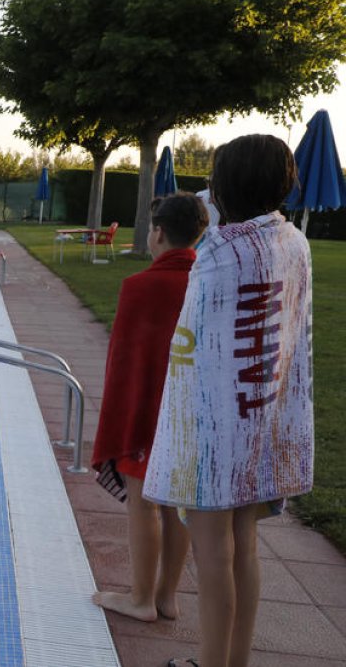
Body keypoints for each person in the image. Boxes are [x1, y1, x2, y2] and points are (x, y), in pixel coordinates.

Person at [145, 135, 313, 667]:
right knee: (245, 542)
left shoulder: (222, 251)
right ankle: (234, 660)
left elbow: (195, 336)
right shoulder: (292, 242)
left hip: (214, 425)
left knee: (214, 547)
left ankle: (212, 662)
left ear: (228, 184)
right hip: (261, 410)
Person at [90, 192, 208, 624]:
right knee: (178, 505)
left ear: (157, 233)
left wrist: (118, 431)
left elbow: (125, 367)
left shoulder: (139, 288)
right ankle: (166, 596)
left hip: (147, 417)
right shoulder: (207, 284)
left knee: (143, 504)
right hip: (192, 419)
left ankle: (140, 599)